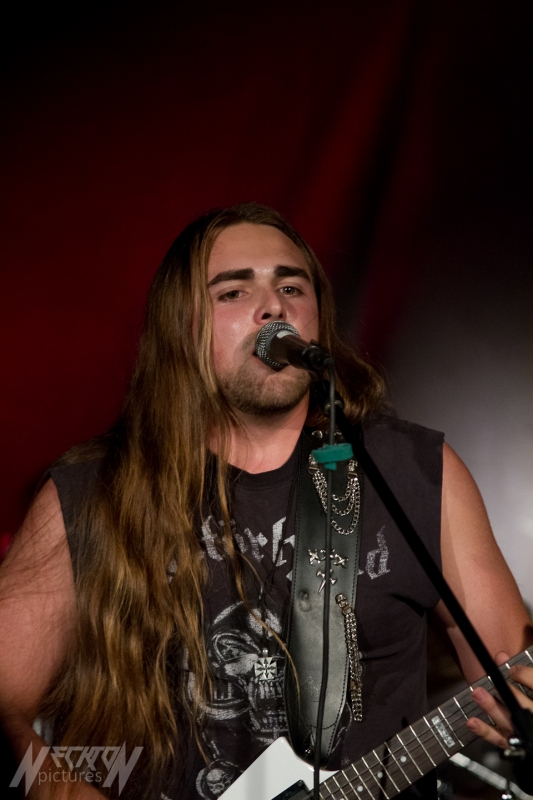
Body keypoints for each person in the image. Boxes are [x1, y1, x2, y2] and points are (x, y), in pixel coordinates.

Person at [0, 202, 531, 800]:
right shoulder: (92, 492)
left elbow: (513, 671)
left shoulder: (412, 470)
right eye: (233, 292)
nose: (274, 306)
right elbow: (6, 708)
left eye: (291, 287)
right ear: (182, 328)